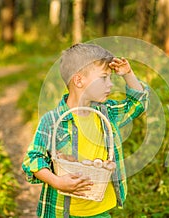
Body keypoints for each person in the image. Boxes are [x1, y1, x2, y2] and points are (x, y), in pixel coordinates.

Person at [22, 43, 149, 218]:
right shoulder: (52, 121)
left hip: (100, 208)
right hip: (65, 211)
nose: (110, 84)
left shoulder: (107, 113)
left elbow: (138, 103)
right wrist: (57, 182)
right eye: (104, 78)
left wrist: (128, 74)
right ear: (79, 80)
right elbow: (33, 160)